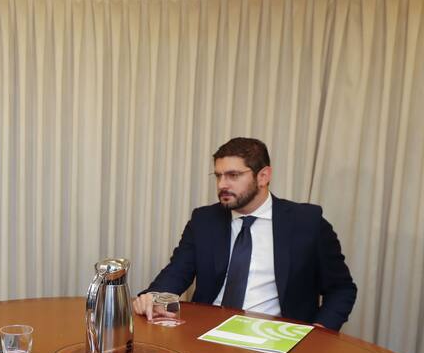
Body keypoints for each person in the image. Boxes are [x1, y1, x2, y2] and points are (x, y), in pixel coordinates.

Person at [133, 137, 356, 330]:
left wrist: (319, 331)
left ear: (263, 176)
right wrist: (152, 297)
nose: (222, 184)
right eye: (218, 176)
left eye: (233, 175)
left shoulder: (307, 222)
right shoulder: (204, 220)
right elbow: (177, 272)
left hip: (275, 338)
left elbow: (341, 289)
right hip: (207, 333)